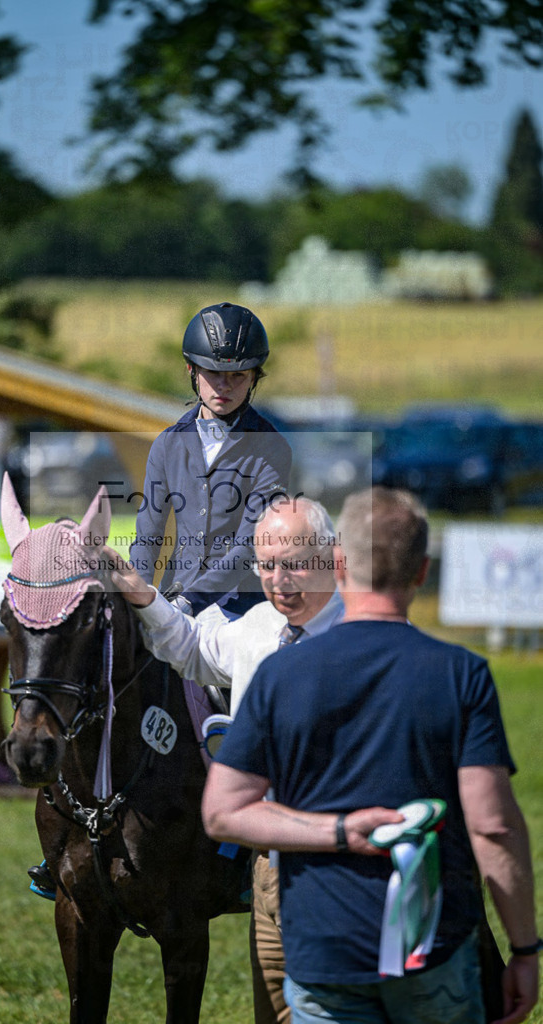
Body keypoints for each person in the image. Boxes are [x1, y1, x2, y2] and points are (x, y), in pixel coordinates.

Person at [202, 487, 540, 1024]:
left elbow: (222, 812)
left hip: (322, 949)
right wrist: (525, 950)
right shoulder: (462, 673)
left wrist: (339, 831)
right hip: (431, 946)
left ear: (338, 564)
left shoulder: (280, 673)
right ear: (422, 572)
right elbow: (493, 827)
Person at [109, 496, 352, 1024]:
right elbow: (193, 647)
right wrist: (141, 593)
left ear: (334, 559)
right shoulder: (260, 627)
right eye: (266, 565)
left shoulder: (366, 640)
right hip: (267, 868)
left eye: (295, 563)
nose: (278, 579)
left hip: (341, 867)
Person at [129, 301, 292, 617]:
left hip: (241, 610)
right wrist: (140, 601)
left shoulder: (272, 449)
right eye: (214, 373)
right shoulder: (167, 445)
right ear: (192, 370)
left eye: (238, 375)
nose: (224, 386)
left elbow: (248, 546)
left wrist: (191, 602)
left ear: (255, 377)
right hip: (172, 599)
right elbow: (148, 535)